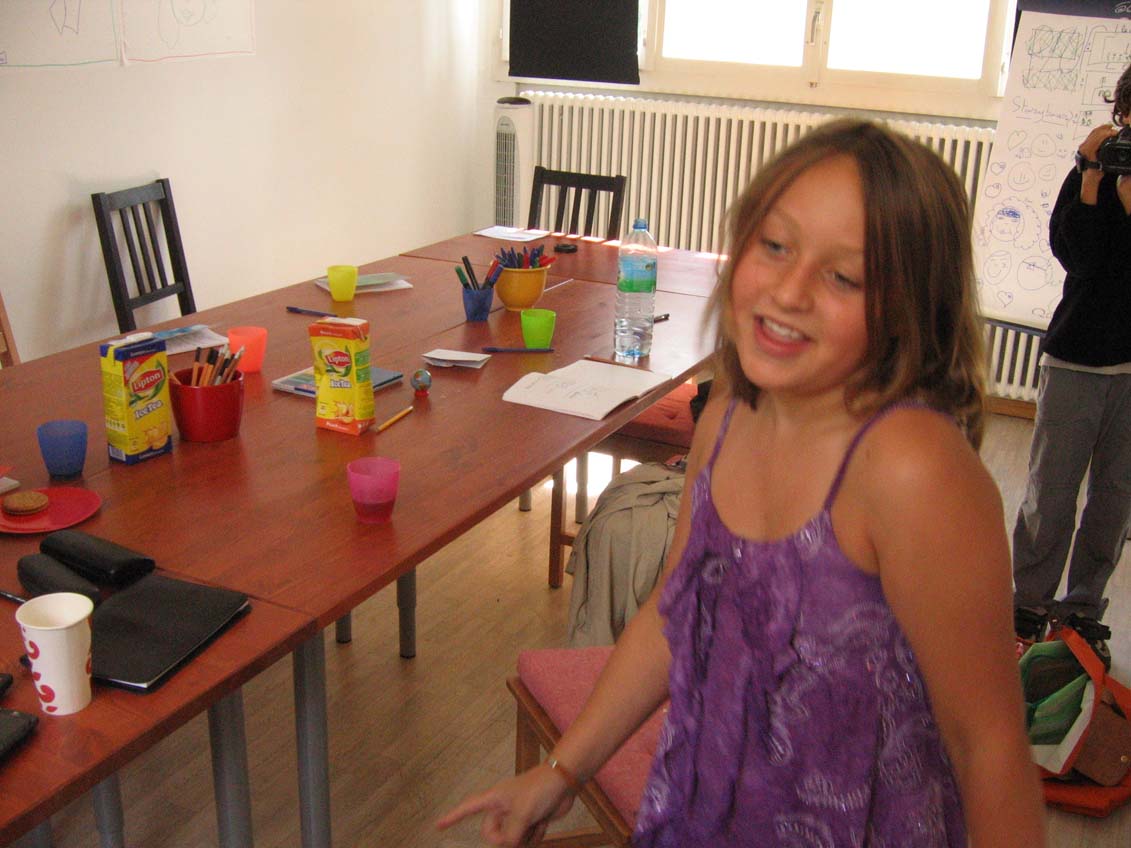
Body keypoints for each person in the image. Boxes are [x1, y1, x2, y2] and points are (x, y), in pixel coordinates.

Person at [437, 119, 1045, 846]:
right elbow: (675, 610)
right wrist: (560, 774)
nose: (788, 291)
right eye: (775, 246)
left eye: (843, 277)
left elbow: (989, 749)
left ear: (906, 307)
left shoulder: (912, 469)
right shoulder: (727, 416)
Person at [1012, 64, 1131, 653]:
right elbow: (1078, 260)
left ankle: (1083, 608)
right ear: (1120, 115)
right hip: (1077, 358)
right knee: (1050, 492)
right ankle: (1027, 603)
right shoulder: (1093, 172)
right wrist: (1091, 177)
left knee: (1114, 499)